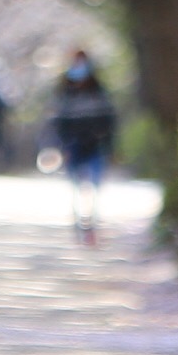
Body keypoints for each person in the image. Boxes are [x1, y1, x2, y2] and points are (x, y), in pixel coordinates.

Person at [48, 50, 118, 243]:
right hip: (72, 144)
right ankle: (77, 220)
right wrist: (60, 146)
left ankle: (92, 222)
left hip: (95, 144)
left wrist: (110, 147)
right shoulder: (64, 92)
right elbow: (56, 121)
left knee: (95, 185)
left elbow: (109, 120)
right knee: (75, 185)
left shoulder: (99, 90)